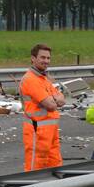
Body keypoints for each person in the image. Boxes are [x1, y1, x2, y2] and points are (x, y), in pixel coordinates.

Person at [19, 43, 65, 171]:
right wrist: (53, 99)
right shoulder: (30, 79)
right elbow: (51, 105)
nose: (46, 61)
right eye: (43, 57)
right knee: (35, 169)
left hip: (50, 131)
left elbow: (62, 100)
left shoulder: (44, 79)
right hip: (37, 131)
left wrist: (53, 99)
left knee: (55, 167)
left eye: (48, 58)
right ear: (33, 58)